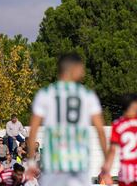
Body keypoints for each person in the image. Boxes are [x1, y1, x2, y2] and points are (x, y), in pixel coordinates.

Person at [27, 53, 107, 186]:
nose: (83, 72)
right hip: (79, 162)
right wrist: (106, 163)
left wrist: (30, 162)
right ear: (73, 69)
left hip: (54, 162)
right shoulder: (87, 95)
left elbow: (33, 131)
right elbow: (100, 131)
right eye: (81, 68)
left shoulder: (45, 94)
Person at [103, 93, 137, 186]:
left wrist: (106, 170)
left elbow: (112, 150)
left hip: (127, 172)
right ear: (133, 104)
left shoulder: (117, 124)